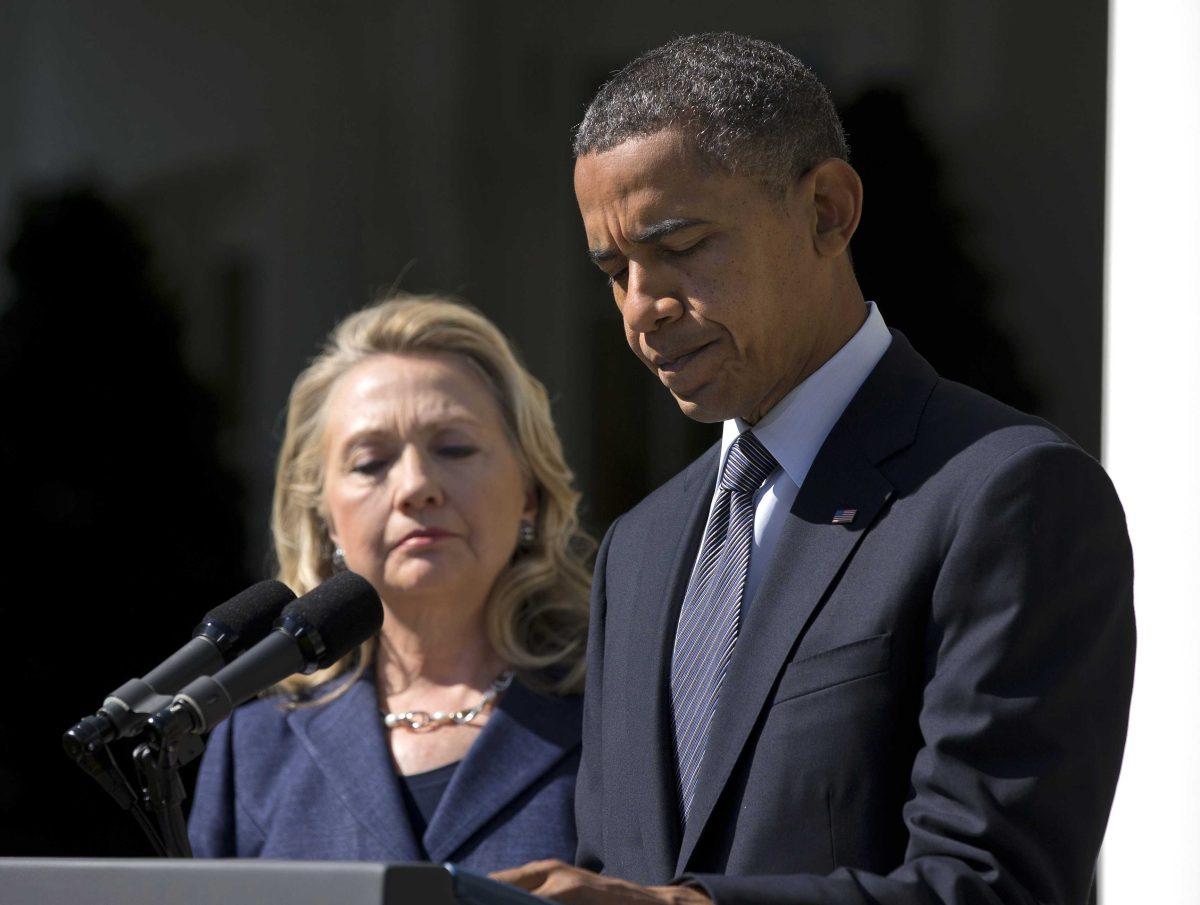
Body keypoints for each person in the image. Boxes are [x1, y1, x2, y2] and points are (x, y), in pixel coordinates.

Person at [495, 33, 1135, 904]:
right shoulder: (639, 550)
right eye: (614, 271)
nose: (642, 308)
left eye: (680, 247)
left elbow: (994, 883)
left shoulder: (1006, 492)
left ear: (828, 212)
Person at [189, 294, 593, 871]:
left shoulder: (616, 712)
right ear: (326, 516)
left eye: (454, 447)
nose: (416, 487)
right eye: (370, 462)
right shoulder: (253, 750)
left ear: (529, 491)